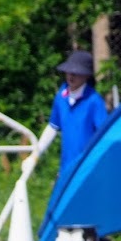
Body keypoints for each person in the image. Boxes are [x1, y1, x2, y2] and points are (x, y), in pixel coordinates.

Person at [35, 50, 109, 179]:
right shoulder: (61, 95)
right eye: (69, 72)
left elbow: (104, 135)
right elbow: (53, 126)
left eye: (77, 73)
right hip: (66, 167)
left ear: (86, 76)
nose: (71, 76)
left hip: (87, 168)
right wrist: (36, 153)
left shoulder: (94, 101)